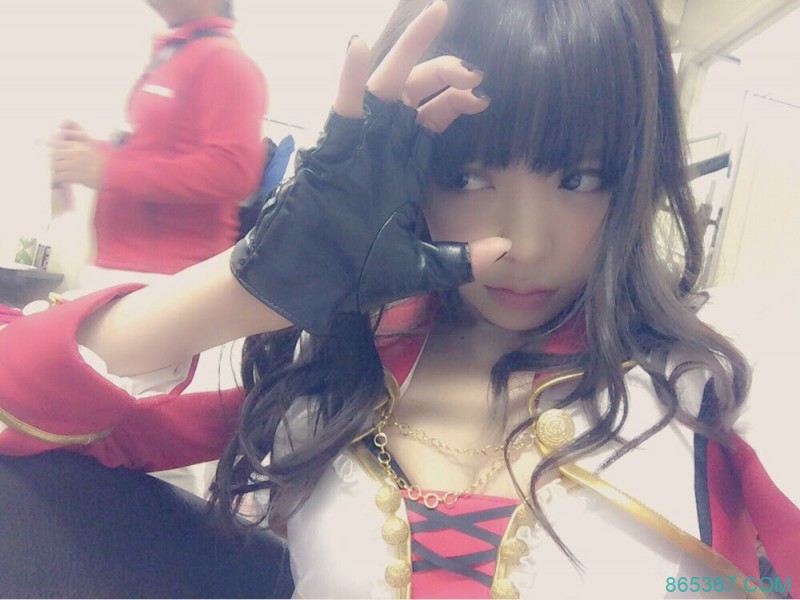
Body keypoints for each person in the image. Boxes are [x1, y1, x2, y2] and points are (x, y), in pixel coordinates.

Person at [2, 0, 798, 598]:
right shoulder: (322, 374)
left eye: (580, 177)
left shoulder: (716, 383)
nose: (524, 243)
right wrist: (248, 286)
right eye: (468, 175)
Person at [50, 0, 266, 287]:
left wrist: (108, 170)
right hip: (127, 271)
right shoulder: (177, 53)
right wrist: (94, 153)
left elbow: (233, 171)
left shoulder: (225, 61)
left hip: (166, 278)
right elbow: (153, 152)